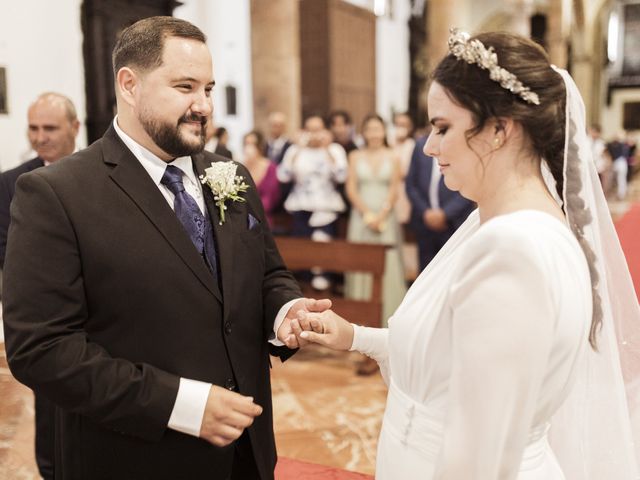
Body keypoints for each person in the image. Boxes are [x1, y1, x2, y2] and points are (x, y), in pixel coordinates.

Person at [295, 30, 640, 479]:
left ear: (499, 129)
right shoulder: (507, 226)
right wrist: (355, 337)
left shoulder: (512, 252)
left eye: (442, 127)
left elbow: (478, 460)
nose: (428, 146)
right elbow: (450, 359)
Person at [2, 17, 329, 480]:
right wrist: (182, 405)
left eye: (209, 89)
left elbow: (266, 274)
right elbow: (41, 348)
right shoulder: (56, 194)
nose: (204, 106)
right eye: (185, 87)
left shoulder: (230, 176)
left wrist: (285, 311)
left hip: (247, 455)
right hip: (135, 458)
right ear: (129, 84)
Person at [0, 91, 79, 480]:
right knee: (50, 409)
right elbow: (4, 250)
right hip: (47, 319)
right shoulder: (11, 183)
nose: (40, 137)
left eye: (50, 127)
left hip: (98, 313)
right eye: (33, 128)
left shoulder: (98, 174)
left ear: (75, 128)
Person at [277, 114, 348, 291]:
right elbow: (283, 176)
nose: (314, 134)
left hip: (326, 210)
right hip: (300, 208)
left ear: (325, 131)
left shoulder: (335, 149)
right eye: (309, 130)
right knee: (302, 257)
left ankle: (325, 294)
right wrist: (298, 149)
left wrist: (326, 150)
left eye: (318, 130)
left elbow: (341, 176)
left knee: (323, 258)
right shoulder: (294, 150)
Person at [405, 135, 475, 271]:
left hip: (454, 224)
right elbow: (411, 185)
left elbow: (470, 184)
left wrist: (445, 214)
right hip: (424, 223)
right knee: (425, 272)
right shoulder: (421, 146)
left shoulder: (461, 144)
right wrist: (426, 212)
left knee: (453, 271)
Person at [242, 129, 280, 227]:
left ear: (260, 146)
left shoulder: (270, 167)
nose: (249, 147)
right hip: (241, 219)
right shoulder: (240, 167)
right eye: (246, 144)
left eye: (253, 144)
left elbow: (271, 199)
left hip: (263, 219)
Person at [390, 112, 416, 225]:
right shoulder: (389, 143)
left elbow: (407, 172)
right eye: (397, 124)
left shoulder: (412, 145)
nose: (400, 128)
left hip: (403, 191)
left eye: (404, 125)